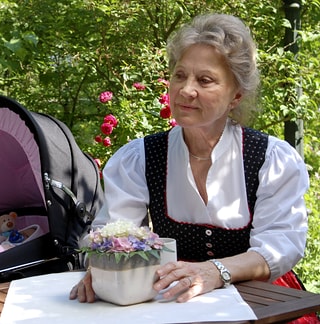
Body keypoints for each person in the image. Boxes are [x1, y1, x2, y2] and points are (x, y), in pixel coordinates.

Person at [70, 13, 312, 316]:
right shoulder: (141, 157)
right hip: (177, 298)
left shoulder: (270, 159)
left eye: (205, 80)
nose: (186, 90)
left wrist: (215, 271)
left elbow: (281, 246)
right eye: (180, 75)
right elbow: (113, 231)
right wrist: (104, 268)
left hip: (261, 302)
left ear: (236, 95)